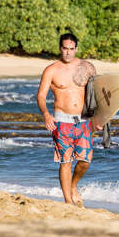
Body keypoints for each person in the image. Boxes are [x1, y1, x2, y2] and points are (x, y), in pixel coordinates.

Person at [37, 33, 101, 207]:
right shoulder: (51, 70)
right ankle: (67, 202)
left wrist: (99, 118)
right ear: (60, 48)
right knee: (66, 161)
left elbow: (96, 95)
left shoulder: (86, 68)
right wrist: (46, 114)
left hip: (83, 121)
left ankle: (73, 186)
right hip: (61, 121)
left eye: (71, 49)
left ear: (76, 49)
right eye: (65, 49)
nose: (68, 52)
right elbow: (41, 96)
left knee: (85, 161)